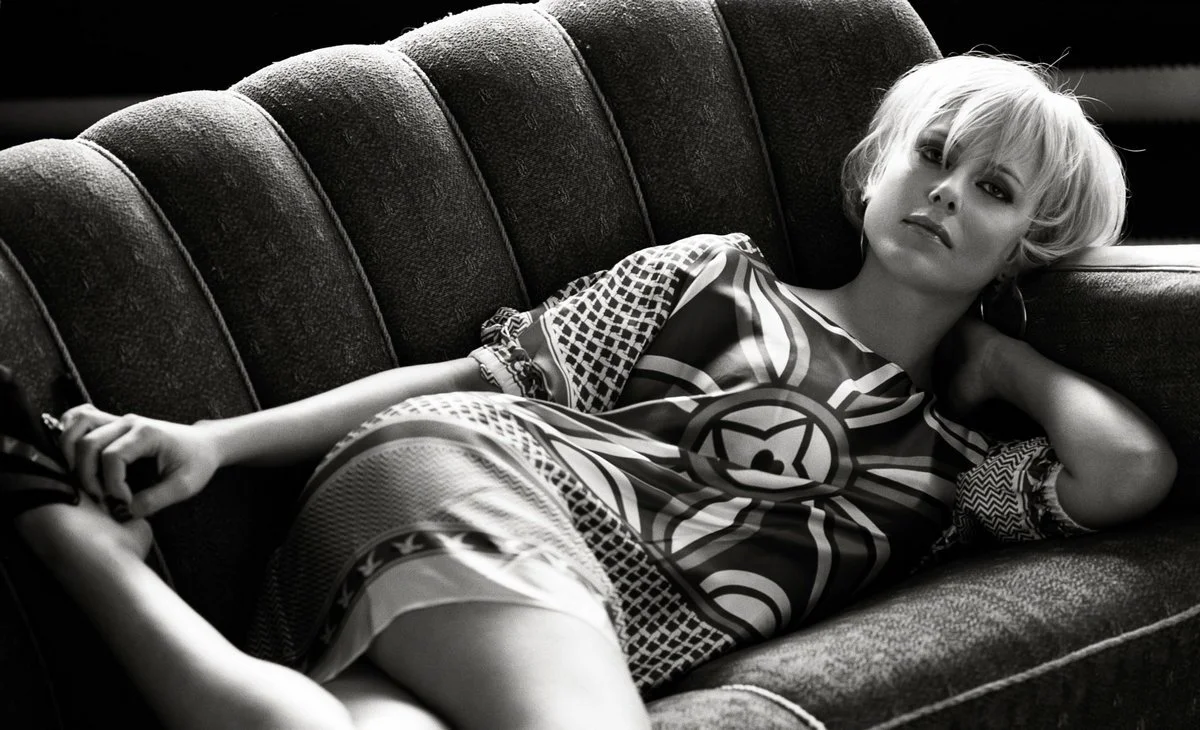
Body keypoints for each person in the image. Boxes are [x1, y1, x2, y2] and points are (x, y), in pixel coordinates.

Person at [2, 51, 1177, 730]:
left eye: (995, 189)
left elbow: (1131, 472)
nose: (949, 192)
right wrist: (213, 442)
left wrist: (1000, 362)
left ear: (1029, 246)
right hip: (472, 478)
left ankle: (77, 545)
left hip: (534, 632)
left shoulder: (948, 469)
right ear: (875, 170)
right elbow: (469, 378)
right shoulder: (713, 276)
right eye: (932, 154)